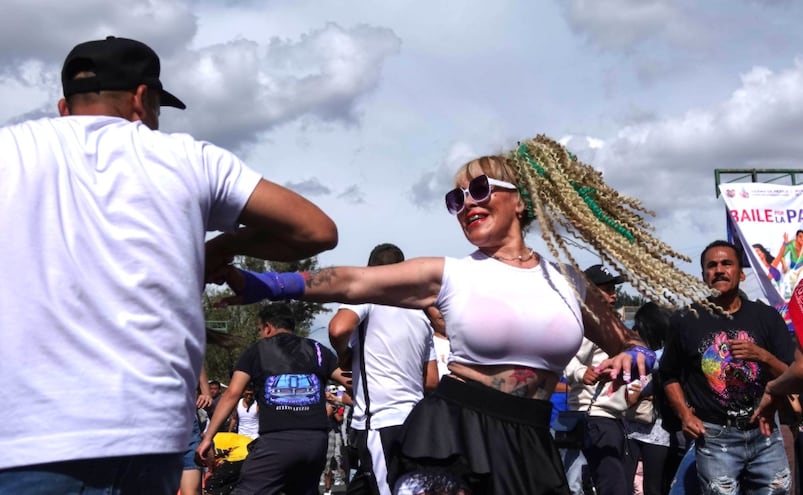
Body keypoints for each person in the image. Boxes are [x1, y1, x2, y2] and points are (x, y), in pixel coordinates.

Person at [210, 134, 714, 494]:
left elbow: (626, 341)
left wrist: (634, 354)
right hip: (457, 432)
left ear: (521, 202)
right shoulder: (451, 273)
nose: (466, 204)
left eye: (479, 190)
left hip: (533, 437)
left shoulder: (568, 281)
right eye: (457, 198)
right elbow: (352, 281)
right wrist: (261, 282)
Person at [0, 36, 337, 495]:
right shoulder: (190, 159)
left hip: (24, 434)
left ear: (64, 107)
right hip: (147, 434)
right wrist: (224, 245)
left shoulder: (12, 149)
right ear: (142, 99)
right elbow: (316, 230)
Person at [661, 240, 796, 494]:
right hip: (714, 436)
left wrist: (763, 356)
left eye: (727, 264)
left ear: (741, 273)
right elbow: (668, 375)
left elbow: (793, 374)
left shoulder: (766, 317)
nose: (719, 270)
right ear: (704, 276)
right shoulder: (685, 320)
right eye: (712, 266)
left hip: (764, 429)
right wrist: (685, 415)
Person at [197, 304, 348, 495]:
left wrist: (208, 437)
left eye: (260, 330)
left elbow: (232, 393)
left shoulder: (257, 350)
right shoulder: (317, 350)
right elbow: (348, 380)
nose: (261, 335)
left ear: (268, 327)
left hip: (277, 441)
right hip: (315, 442)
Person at [328, 243, 438, 495]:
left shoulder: (369, 297)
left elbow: (337, 328)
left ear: (370, 272)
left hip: (380, 421)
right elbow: (431, 380)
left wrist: (344, 356)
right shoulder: (420, 315)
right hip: (414, 422)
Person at [565, 265, 635, 495]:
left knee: (608, 484)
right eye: (607, 289)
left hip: (612, 417)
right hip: (593, 416)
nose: (613, 295)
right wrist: (581, 372)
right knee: (608, 486)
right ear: (590, 293)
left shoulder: (611, 323)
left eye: (614, 289)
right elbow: (565, 356)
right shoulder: (585, 323)